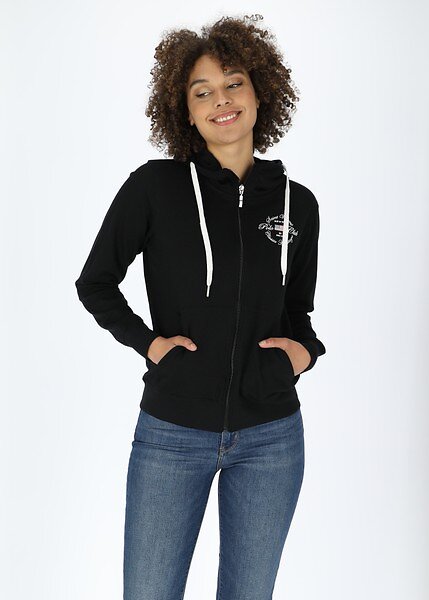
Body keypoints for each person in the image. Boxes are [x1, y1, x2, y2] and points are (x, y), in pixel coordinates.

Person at [75, 14, 327, 600]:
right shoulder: (154, 188)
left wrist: (304, 354)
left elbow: (299, 311)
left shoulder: (298, 204)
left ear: (260, 93)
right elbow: (96, 283)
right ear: (185, 112)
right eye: (202, 92)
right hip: (172, 433)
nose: (222, 101)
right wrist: (150, 344)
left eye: (234, 83)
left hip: (272, 437)